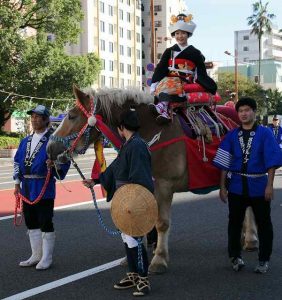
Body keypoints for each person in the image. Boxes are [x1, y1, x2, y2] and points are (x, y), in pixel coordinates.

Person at [83, 108, 154, 297]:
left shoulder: (136, 146)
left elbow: (139, 177)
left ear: (121, 127)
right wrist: (96, 180)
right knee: (128, 239)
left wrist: (132, 201)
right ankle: (133, 274)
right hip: (126, 197)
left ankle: (143, 279)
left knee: (136, 240)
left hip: (132, 199)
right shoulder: (130, 144)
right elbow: (115, 168)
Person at [213, 97, 282, 274]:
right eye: (241, 111)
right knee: (234, 224)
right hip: (236, 186)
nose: (244, 113)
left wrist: (270, 185)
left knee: (264, 224)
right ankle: (235, 256)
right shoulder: (231, 135)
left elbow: (272, 161)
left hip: (259, 185)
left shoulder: (265, 133)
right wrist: (222, 187)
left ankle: (264, 260)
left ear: (254, 112)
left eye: (247, 110)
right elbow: (224, 163)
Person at [14, 105, 70, 270]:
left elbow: (64, 162)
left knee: (45, 220)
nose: (34, 119)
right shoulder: (25, 141)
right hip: (26, 187)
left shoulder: (54, 140)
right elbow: (17, 162)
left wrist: (54, 164)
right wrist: (17, 183)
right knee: (30, 221)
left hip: (43, 185)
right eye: (32, 117)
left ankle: (47, 257)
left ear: (46, 119)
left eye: (38, 117)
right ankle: (35, 255)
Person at [149, 13, 217, 124]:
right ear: (174, 35)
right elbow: (161, 67)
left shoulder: (196, 53)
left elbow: (200, 71)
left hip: (184, 80)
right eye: (177, 33)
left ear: (188, 34)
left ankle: (162, 107)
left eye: (183, 33)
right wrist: (154, 82)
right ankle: (165, 111)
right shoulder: (169, 51)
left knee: (170, 83)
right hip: (168, 79)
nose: (180, 36)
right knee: (165, 82)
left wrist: (208, 84)